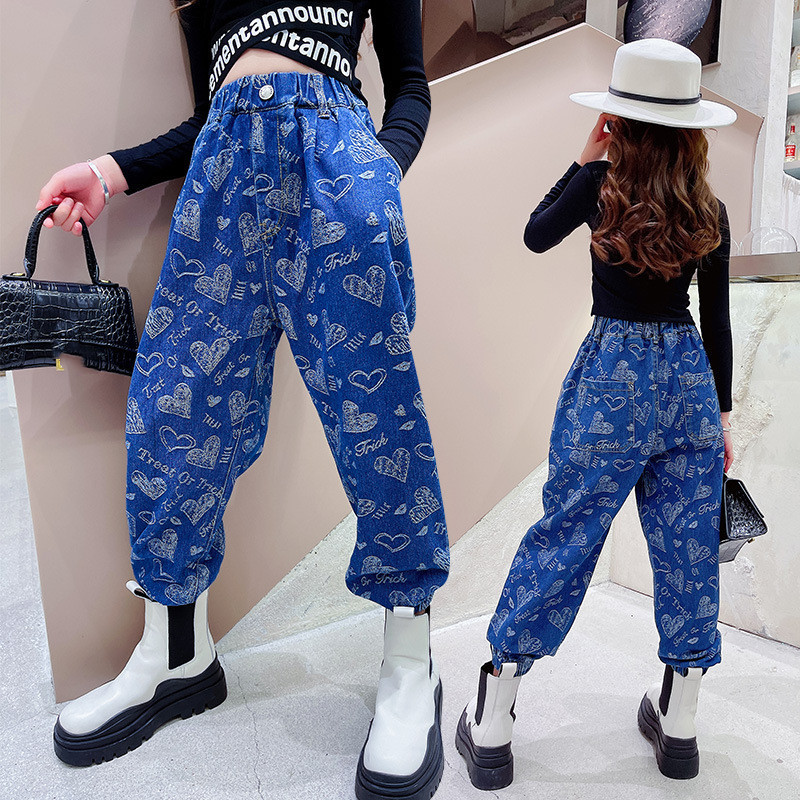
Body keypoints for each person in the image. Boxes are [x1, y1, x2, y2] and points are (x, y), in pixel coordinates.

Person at [36, 3, 449, 798]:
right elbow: (208, 113)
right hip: (223, 174)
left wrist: (377, 175)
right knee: (172, 410)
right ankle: (176, 652)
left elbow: (410, 85)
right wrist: (111, 172)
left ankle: (410, 665)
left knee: (379, 422)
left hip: (337, 163)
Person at [455, 38, 736, 790]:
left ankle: (494, 719)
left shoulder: (602, 190)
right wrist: (723, 419)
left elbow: (535, 232)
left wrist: (585, 160)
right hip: (688, 384)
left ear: (619, 122)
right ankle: (681, 723)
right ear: (692, 132)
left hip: (613, 381)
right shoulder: (709, 209)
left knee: (566, 535)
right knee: (688, 551)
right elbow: (717, 323)